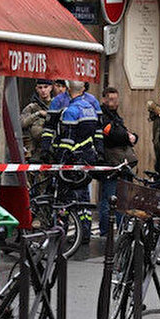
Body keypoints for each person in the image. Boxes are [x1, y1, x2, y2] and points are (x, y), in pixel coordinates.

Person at [51, 81, 104, 244]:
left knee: (64, 198)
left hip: (73, 160)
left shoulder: (71, 111)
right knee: (83, 198)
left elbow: (68, 138)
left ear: (68, 90)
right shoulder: (90, 108)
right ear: (82, 90)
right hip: (88, 158)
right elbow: (98, 133)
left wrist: (60, 157)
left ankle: (61, 231)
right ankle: (85, 232)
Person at [99, 87, 138, 236]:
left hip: (121, 163)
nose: (114, 102)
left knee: (121, 199)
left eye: (116, 99)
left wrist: (131, 135)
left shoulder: (115, 116)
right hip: (111, 163)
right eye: (110, 99)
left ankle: (120, 228)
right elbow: (113, 135)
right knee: (109, 198)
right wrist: (128, 136)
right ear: (104, 99)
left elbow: (123, 133)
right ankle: (105, 232)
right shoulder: (103, 116)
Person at [40, 80, 103, 161]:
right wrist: (45, 150)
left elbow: (98, 130)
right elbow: (49, 127)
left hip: (74, 151)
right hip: (79, 150)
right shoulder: (59, 101)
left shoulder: (92, 101)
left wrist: (100, 152)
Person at [20, 79, 53, 160]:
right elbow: (22, 123)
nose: (43, 90)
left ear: (51, 88)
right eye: (40, 88)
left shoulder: (56, 105)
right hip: (36, 149)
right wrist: (37, 114)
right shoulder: (32, 107)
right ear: (36, 89)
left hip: (52, 147)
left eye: (46, 87)